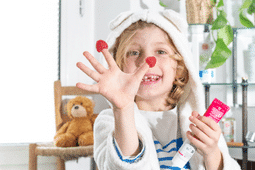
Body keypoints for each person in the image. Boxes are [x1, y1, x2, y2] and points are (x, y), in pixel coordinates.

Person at [76, 9, 241, 170]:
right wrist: (123, 109)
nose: (148, 61)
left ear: (180, 68)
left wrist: (211, 152)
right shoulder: (110, 121)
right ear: (119, 67)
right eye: (134, 52)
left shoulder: (198, 121)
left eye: (161, 51)